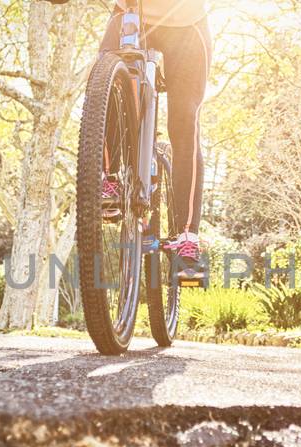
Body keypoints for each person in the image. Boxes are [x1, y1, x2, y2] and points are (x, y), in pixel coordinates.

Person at [93, 0, 213, 284]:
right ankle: (109, 178)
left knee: (185, 120)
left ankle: (187, 238)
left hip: (187, 25)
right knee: (103, 82)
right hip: (132, 14)